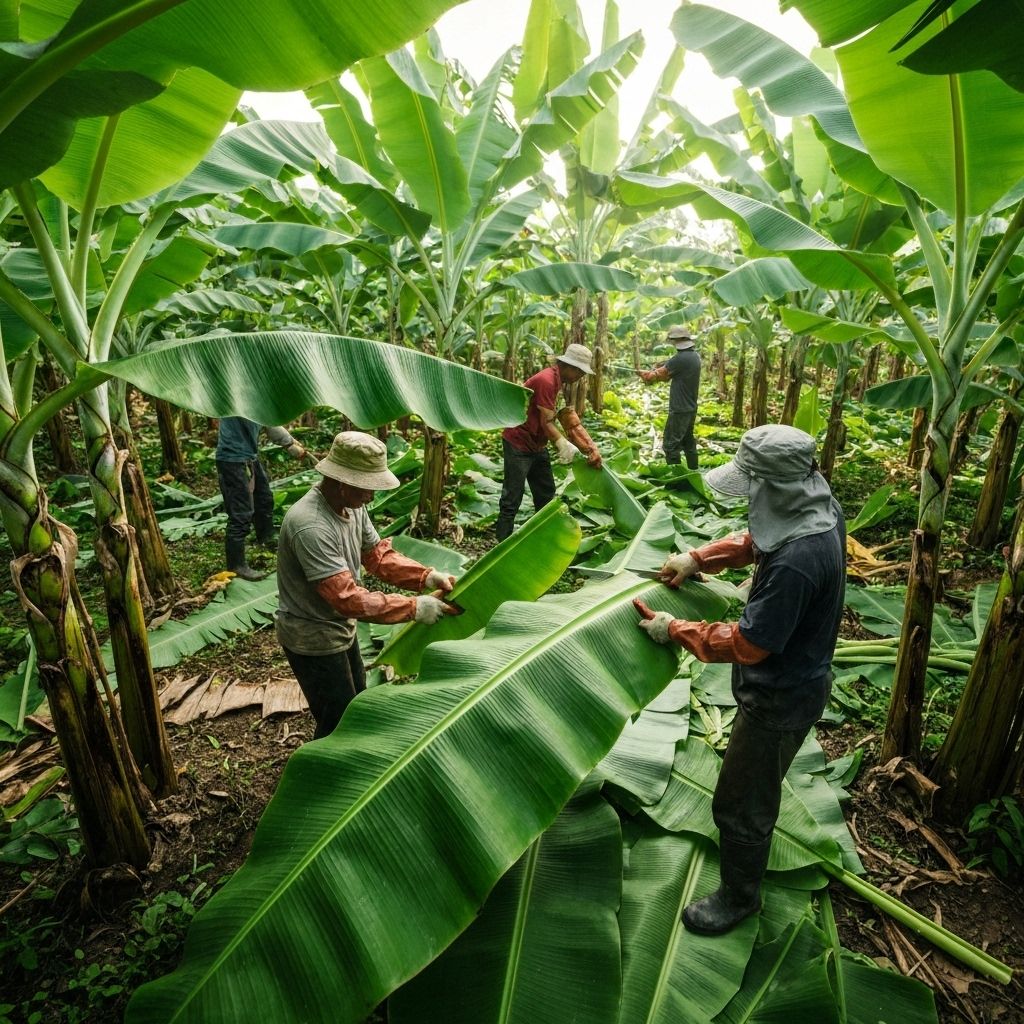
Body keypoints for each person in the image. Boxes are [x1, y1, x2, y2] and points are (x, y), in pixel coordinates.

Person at [634, 425, 845, 935]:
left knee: (741, 803)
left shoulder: (797, 563)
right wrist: (699, 557)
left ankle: (739, 897)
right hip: (797, 678)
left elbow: (749, 644)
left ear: (775, 485)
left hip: (779, 694)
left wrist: (674, 628)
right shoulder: (819, 507)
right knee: (755, 782)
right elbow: (759, 539)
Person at [275, 431, 459, 739]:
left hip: (340, 628)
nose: (371, 496)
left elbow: (376, 555)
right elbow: (346, 598)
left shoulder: (352, 505)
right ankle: (329, 781)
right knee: (338, 722)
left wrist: (425, 576)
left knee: (356, 702)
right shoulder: (310, 525)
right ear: (343, 482)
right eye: (367, 487)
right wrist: (413, 608)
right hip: (313, 637)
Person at [496, 343, 603, 541]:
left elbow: (565, 418)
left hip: (537, 444)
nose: (581, 376)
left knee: (545, 493)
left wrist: (589, 448)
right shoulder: (546, 380)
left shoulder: (558, 381)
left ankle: (542, 539)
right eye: (580, 372)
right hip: (519, 443)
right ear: (569, 367)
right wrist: (561, 443)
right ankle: (501, 544)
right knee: (512, 498)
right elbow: (546, 421)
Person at [216, 416, 310, 581]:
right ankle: (236, 565)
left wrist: (291, 442)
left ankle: (266, 537)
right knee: (241, 514)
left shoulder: (254, 399)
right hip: (233, 460)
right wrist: (289, 444)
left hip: (249, 457)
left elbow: (268, 422)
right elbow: (269, 425)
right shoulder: (237, 399)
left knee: (264, 499)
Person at [638, 324, 701, 468]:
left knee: (670, 445)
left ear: (674, 341)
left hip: (679, 409)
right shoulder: (694, 356)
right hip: (690, 407)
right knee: (688, 441)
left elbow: (656, 376)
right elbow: (666, 376)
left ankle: (677, 482)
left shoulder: (680, 359)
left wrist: (646, 374)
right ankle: (694, 472)